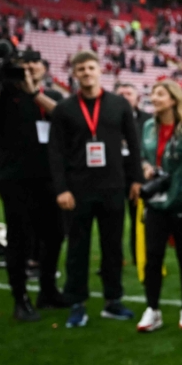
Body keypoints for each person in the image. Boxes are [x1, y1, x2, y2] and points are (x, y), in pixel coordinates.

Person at [49, 51, 143, 328]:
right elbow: (55, 152)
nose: (87, 73)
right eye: (81, 69)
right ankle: (76, 301)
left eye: (91, 67)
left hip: (114, 186)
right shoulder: (65, 108)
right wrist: (61, 189)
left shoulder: (119, 105)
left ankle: (113, 300)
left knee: (112, 246)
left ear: (100, 70)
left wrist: (136, 179)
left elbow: (134, 144)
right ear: (75, 74)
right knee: (78, 247)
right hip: (78, 189)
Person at [0, 49, 67, 321]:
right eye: (23, 65)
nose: (28, 69)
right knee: (20, 239)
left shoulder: (52, 97)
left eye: (33, 63)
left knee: (55, 234)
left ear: (44, 68)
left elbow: (65, 117)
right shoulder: (5, 98)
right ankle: (20, 298)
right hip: (15, 179)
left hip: (50, 177)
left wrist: (33, 92)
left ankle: (47, 289)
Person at [136, 80, 182, 332]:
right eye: (153, 93)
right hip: (155, 201)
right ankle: (152, 309)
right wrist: (145, 166)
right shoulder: (148, 127)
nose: (154, 97)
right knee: (153, 257)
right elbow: (143, 154)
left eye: (160, 94)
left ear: (173, 99)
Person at [117, 82, 150, 265]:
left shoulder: (148, 119)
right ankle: (115, 258)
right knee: (114, 222)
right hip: (113, 176)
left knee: (139, 220)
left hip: (137, 176)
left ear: (137, 98)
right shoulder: (108, 117)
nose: (124, 96)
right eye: (120, 93)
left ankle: (140, 257)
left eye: (128, 93)